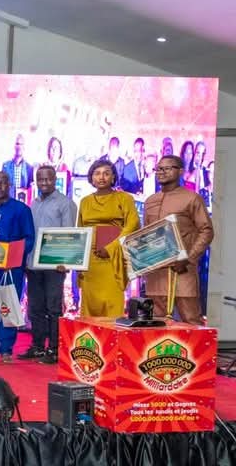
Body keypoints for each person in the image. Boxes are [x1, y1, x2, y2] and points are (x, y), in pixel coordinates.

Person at [143, 155, 214, 325]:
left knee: (190, 321)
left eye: (167, 168)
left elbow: (206, 231)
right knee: (156, 324)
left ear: (180, 171)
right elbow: (146, 235)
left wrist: (188, 258)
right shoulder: (150, 201)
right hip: (156, 274)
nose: (161, 172)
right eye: (159, 169)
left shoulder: (192, 198)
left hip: (182, 270)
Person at [21, 165, 77, 365]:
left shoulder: (65, 203)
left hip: (54, 265)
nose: (44, 182)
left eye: (48, 179)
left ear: (55, 180)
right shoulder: (33, 203)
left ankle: (54, 349)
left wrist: (65, 261)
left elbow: (69, 234)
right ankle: (37, 346)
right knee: (35, 308)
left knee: (53, 308)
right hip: (33, 264)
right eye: (40, 179)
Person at [0, 172, 35, 362]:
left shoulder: (21, 209)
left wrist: (13, 254)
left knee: (8, 306)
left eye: (3, 183)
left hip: (11, 268)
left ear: (9, 185)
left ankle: (7, 350)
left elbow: (29, 239)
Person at [77, 159, 140, 318]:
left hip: (113, 258)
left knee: (111, 304)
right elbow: (80, 231)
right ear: (91, 178)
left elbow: (133, 224)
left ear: (113, 177)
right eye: (97, 174)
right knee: (90, 304)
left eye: (106, 173)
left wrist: (111, 248)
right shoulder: (85, 201)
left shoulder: (124, 198)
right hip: (90, 261)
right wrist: (77, 260)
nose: (101, 177)